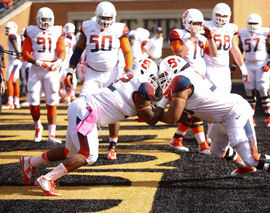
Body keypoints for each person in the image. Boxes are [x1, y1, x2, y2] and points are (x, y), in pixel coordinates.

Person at [158, 55, 270, 189]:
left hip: (235, 112)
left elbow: (173, 118)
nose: (164, 79)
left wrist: (152, 112)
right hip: (221, 117)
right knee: (216, 150)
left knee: (253, 158)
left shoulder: (182, 82)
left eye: (165, 74)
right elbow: (182, 116)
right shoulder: (187, 78)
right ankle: (243, 167)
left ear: (173, 70)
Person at [20, 58, 164, 196]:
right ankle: (47, 179)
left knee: (69, 151)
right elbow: (151, 119)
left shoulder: (128, 77)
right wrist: (166, 100)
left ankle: (30, 162)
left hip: (81, 107)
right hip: (86, 113)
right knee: (88, 155)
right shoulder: (144, 86)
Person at [64, 1, 133, 160]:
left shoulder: (118, 28)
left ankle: (112, 146)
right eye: (103, 18)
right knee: (81, 107)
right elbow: (79, 49)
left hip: (112, 74)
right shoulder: (88, 26)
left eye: (109, 18)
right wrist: (70, 69)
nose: (106, 22)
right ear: (97, 16)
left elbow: (127, 52)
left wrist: (129, 71)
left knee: (115, 109)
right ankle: (77, 145)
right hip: (93, 75)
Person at [167, 8, 217, 154]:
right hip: (184, 76)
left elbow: (213, 53)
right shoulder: (177, 33)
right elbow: (180, 53)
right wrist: (192, 38)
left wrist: (210, 38)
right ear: (187, 22)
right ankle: (202, 145)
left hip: (199, 77)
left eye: (199, 23)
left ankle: (177, 139)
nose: (197, 26)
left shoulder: (201, 37)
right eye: (194, 23)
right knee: (195, 111)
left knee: (192, 112)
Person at [203, 3, 249, 143]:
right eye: (218, 15)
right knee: (212, 102)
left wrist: (244, 69)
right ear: (213, 14)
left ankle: (219, 133)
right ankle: (210, 134)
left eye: (224, 16)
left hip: (224, 70)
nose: (221, 18)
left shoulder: (231, 28)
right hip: (209, 68)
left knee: (225, 102)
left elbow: (235, 51)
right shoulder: (205, 26)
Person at [22, 7, 66, 143]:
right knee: (34, 100)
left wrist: (59, 61)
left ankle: (51, 134)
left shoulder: (58, 31)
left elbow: (62, 50)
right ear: (37, 20)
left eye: (48, 20)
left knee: (52, 101)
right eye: (43, 20)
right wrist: (40, 62)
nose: (46, 23)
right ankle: (38, 126)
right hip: (36, 70)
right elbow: (25, 53)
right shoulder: (30, 31)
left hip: (51, 71)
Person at [237, 13, 270, 128]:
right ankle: (251, 117)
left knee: (263, 89)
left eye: (255, 24)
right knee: (249, 90)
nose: (253, 26)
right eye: (250, 23)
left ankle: (269, 117)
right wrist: (236, 66)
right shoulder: (243, 33)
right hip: (248, 65)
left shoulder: (265, 32)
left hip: (262, 64)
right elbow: (239, 50)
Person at [2, 21, 22, 110]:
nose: (6, 30)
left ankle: (10, 102)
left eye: (8, 28)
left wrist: (18, 54)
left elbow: (14, 45)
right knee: (15, 81)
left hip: (14, 60)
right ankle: (16, 102)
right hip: (15, 60)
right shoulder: (16, 35)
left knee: (8, 80)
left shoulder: (12, 35)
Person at [60, 22, 77, 105]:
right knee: (70, 79)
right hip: (71, 61)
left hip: (64, 61)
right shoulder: (72, 38)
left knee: (64, 80)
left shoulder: (63, 39)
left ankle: (66, 96)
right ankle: (69, 96)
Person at [19, 28, 32, 107]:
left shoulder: (26, 41)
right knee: (26, 81)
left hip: (27, 64)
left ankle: (28, 99)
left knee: (27, 82)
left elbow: (26, 53)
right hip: (26, 63)